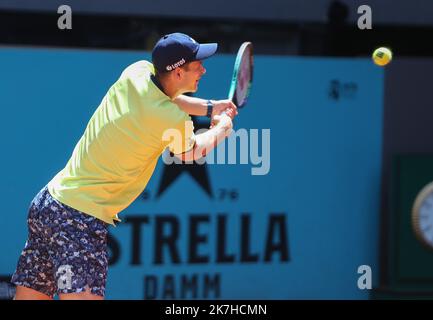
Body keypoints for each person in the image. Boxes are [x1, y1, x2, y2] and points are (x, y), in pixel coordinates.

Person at [11, 32, 237, 300]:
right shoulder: (170, 119)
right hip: (78, 219)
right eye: (196, 64)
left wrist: (211, 108)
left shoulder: (137, 71)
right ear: (177, 73)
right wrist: (222, 128)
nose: (203, 69)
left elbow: (169, 98)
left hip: (48, 206)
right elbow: (191, 153)